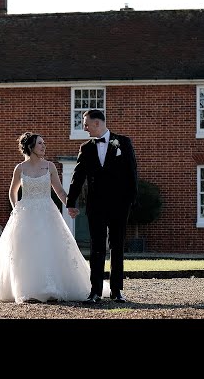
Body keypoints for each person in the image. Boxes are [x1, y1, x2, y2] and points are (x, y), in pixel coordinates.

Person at [0, 132, 109, 304]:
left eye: (44, 143)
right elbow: (12, 191)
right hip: (26, 213)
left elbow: (59, 190)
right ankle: (27, 290)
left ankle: (50, 288)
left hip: (47, 212)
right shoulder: (20, 168)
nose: (44, 146)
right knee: (27, 251)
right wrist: (16, 209)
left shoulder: (50, 166)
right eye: (40, 144)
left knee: (48, 247)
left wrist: (70, 205)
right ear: (31, 147)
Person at [67, 109, 138, 304]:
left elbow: (132, 173)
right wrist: (71, 202)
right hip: (95, 206)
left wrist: (131, 202)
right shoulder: (86, 148)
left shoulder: (123, 143)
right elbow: (77, 176)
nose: (84, 128)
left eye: (86, 124)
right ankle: (95, 292)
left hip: (120, 206)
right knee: (97, 247)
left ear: (97, 123)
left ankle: (117, 291)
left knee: (117, 247)